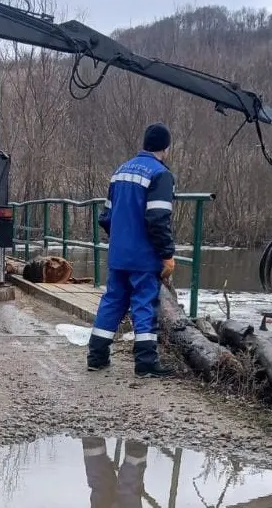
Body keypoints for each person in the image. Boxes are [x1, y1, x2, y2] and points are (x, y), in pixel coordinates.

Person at [86, 122, 177, 378]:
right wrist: (167, 254)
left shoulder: (121, 171)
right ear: (166, 147)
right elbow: (158, 218)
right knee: (144, 303)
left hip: (119, 254)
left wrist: (120, 241)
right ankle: (146, 362)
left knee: (112, 301)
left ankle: (97, 356)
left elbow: (105, 216)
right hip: (143, 256)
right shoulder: (160, 174)